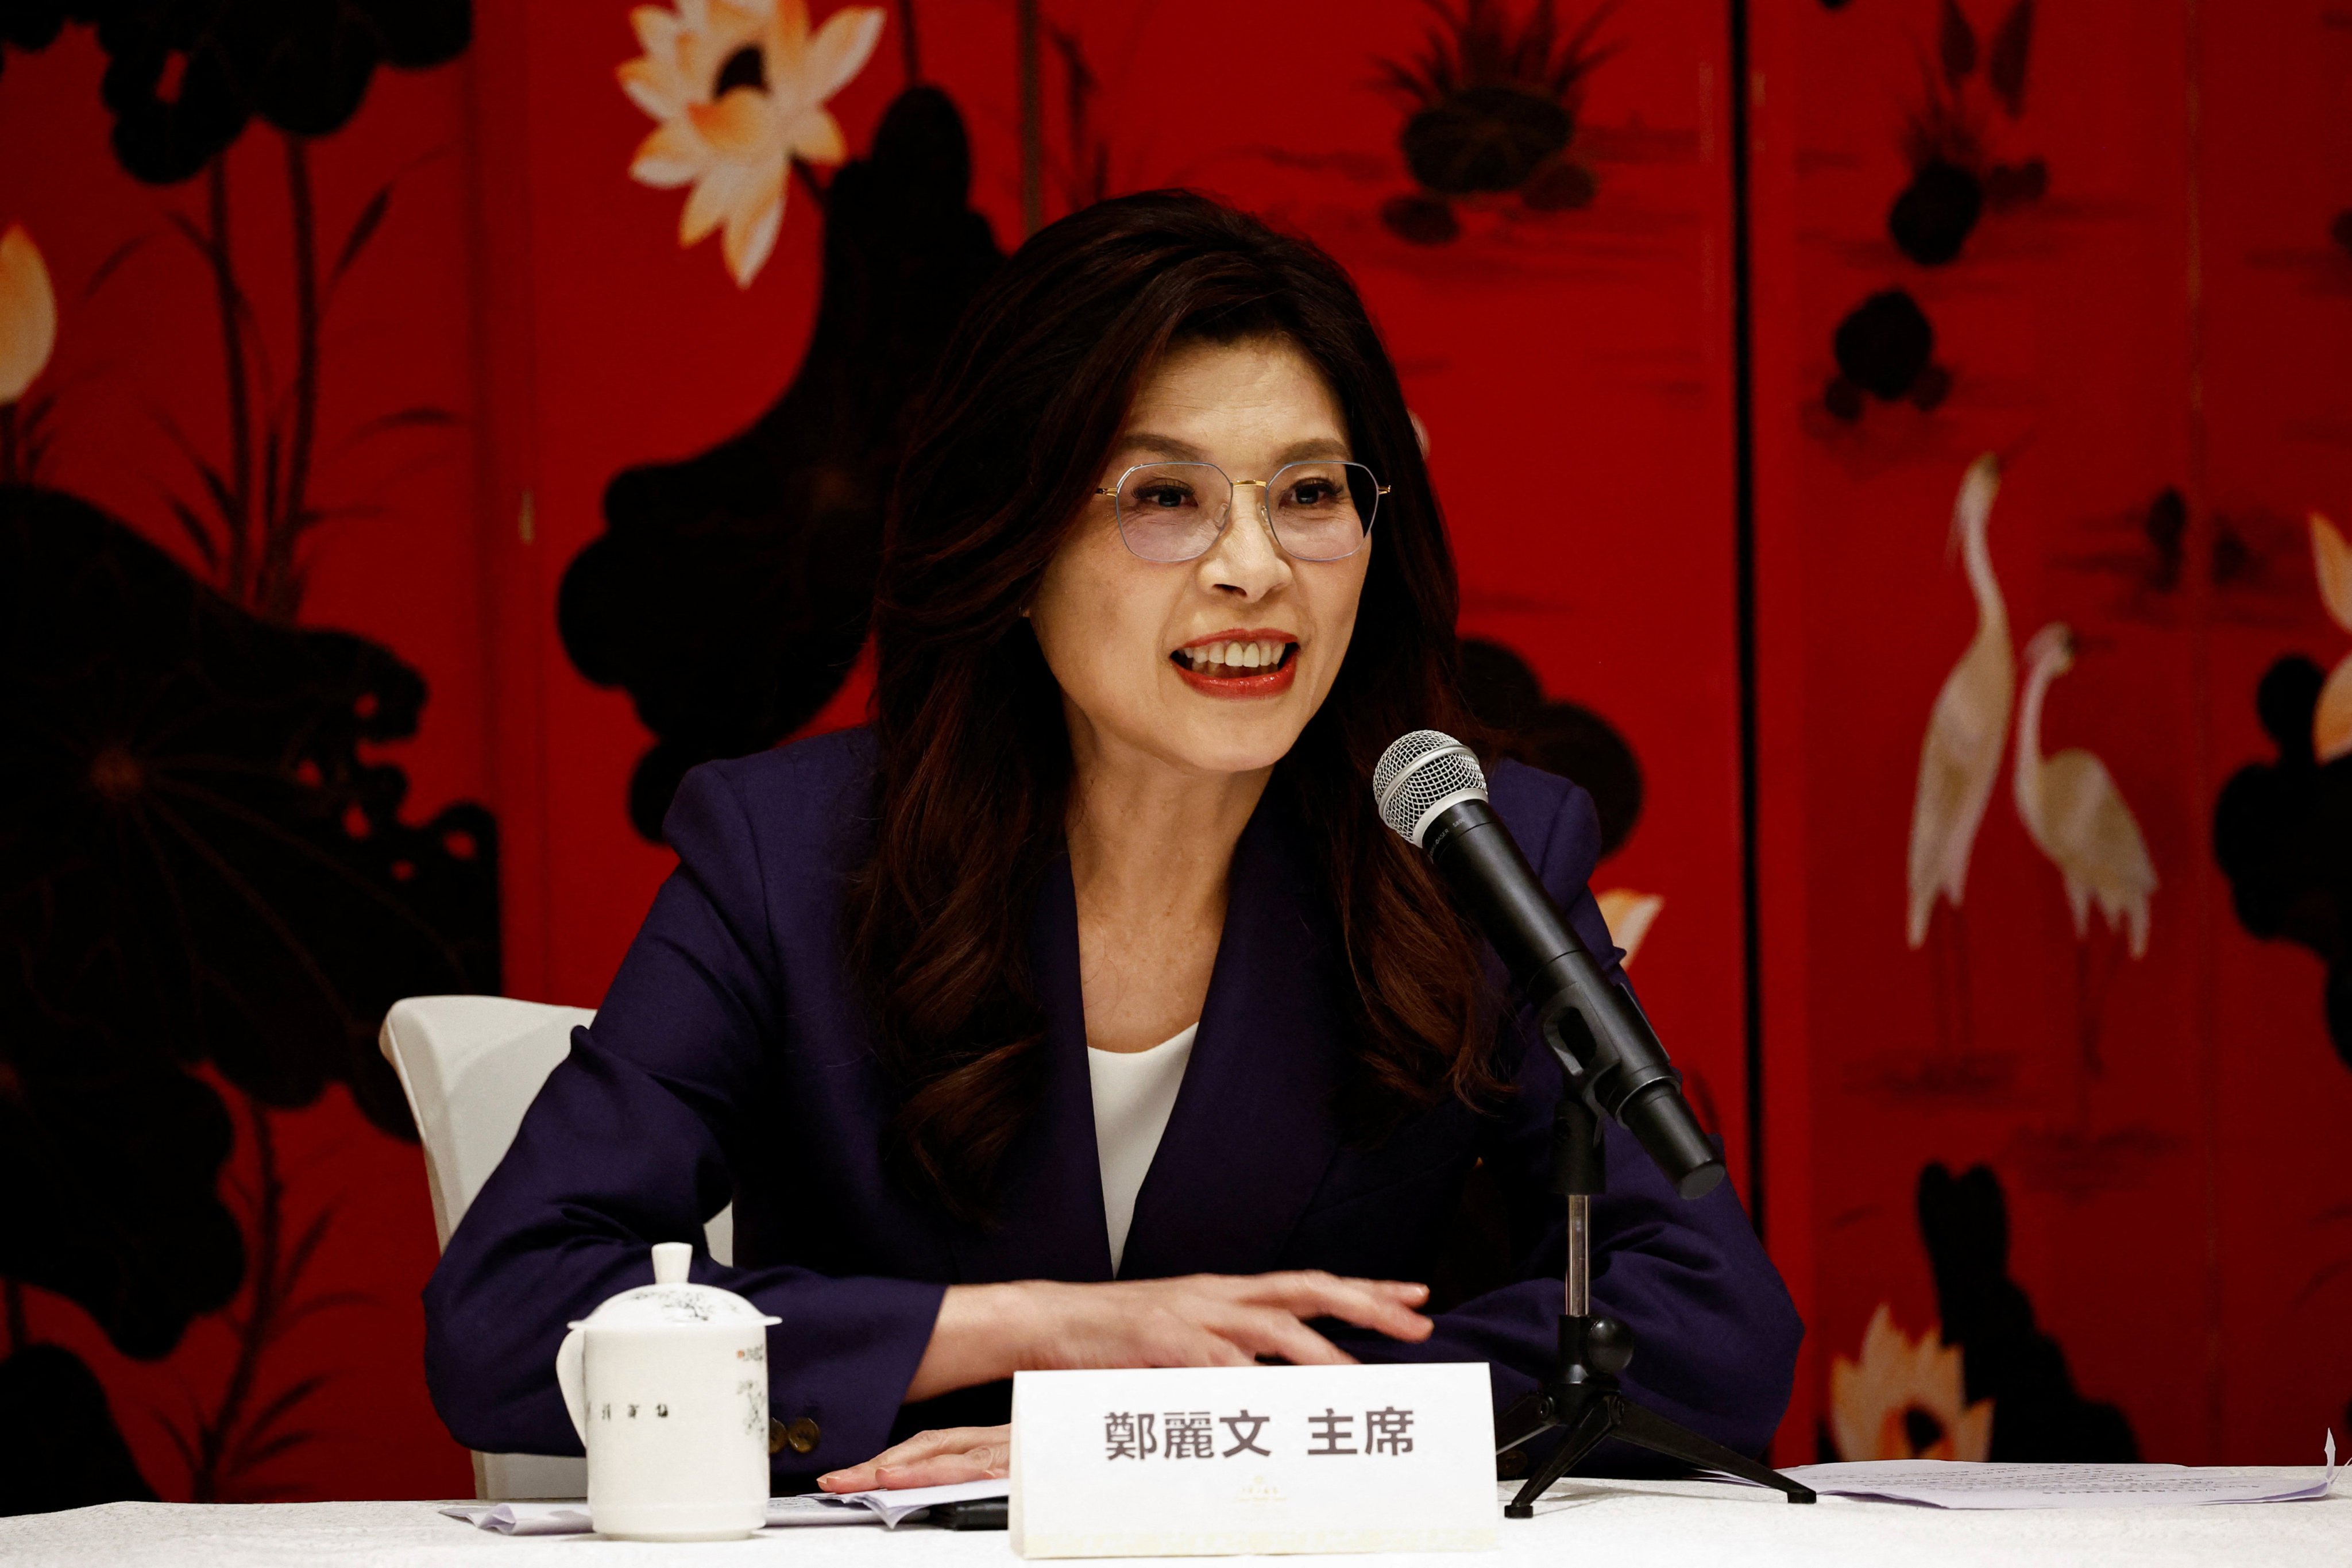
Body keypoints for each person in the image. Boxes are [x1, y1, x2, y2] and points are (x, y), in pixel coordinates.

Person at [423, 190, 1801, 1494]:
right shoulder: (787, 856)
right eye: (1164, 497)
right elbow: (508, 1322)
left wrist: (1198, 1432)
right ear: (1014, 547)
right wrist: (1044, 1334)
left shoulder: (1463, 854)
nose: (1252, 566)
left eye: (1308, 494)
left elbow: (1711, 1331)